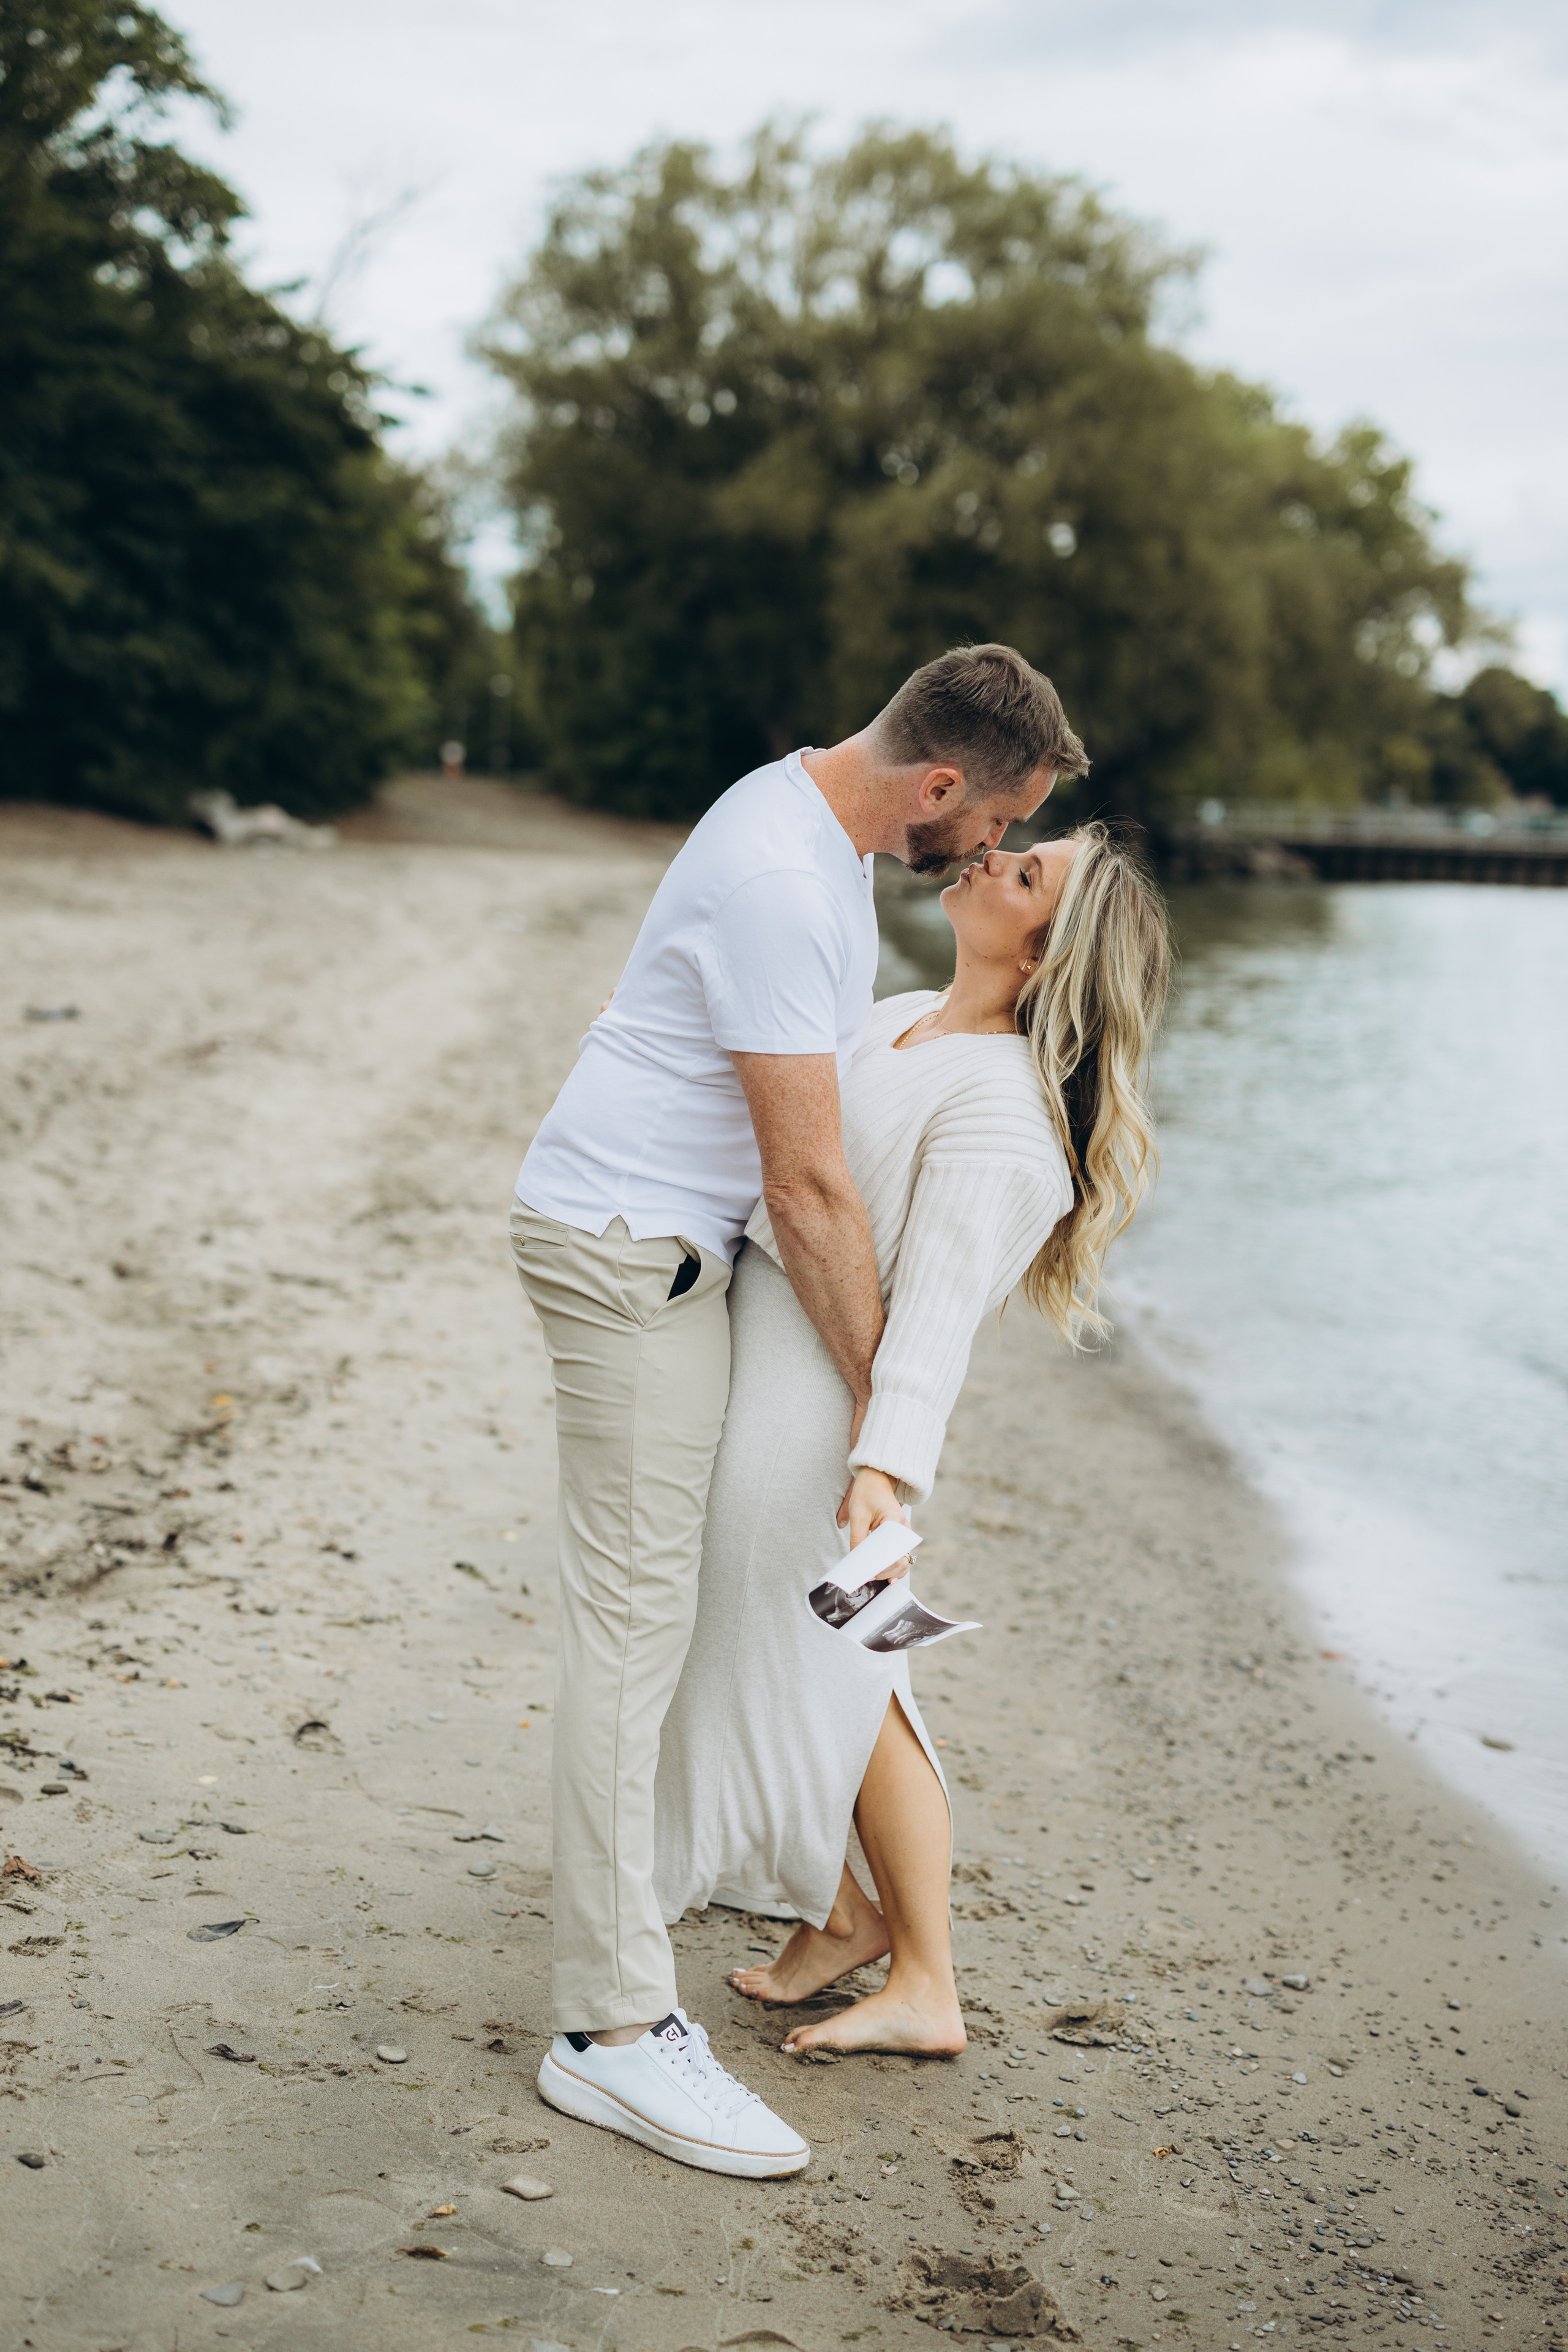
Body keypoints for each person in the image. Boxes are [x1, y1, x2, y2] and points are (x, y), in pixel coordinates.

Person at [508, 644, 1088, 2176]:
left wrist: (883, 1434)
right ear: (944, 783)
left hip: (668, 1261)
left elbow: (852, 1172)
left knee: (792, 1625)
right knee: (634, 1634)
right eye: (994, 825)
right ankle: (613, 2031)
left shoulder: (818, 851)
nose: (982, 852)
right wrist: (875, 1413)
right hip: (635, 1255)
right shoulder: (786, 877)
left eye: (1013, 853)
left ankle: (857, 1929)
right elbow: (808, 1181)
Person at [653, 820, 1170, 2059]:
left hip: (825, 1413)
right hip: (769, 1355)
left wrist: (881, 1467)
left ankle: (927, 1978)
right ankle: (841, 1915)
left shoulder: (1001, 1111)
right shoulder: (893, 1017)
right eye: (1013, 848)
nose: (993, 857)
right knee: (783, 1652)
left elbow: (933, 1314)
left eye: (1027, 872)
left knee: (855, 1666)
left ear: (1047, 956)